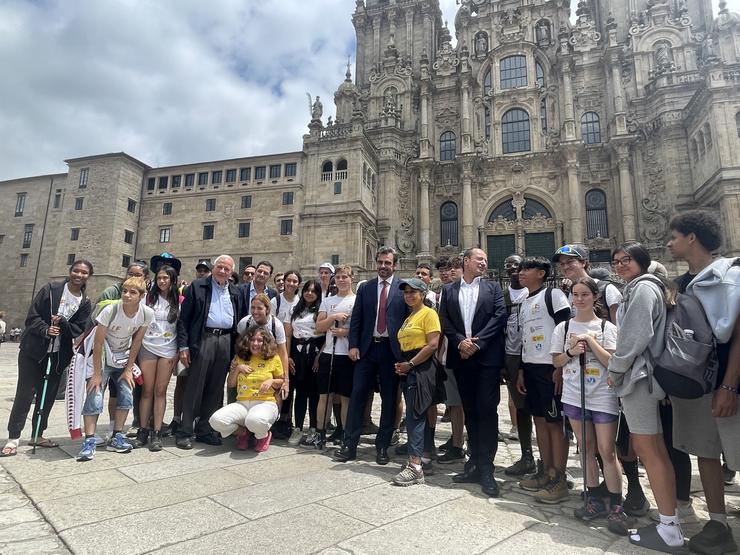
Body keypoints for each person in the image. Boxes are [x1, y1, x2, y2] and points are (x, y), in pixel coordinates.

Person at [667, 210, 740, 554]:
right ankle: (718, 524)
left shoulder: (730, 275)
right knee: (706, 453)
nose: (669, 242)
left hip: (728, 383)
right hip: (697, 384)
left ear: (692, 237)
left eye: (674, 236)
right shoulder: (679, 285)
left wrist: (729, 385)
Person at [606, 242, 685, 552]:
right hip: (645, 377)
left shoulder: (642, 289)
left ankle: (669, 528)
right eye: (617, 261)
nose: (621, 265)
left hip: (639, 378)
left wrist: (615, 369)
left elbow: (635, 336)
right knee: (654, 449)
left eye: (627, 259)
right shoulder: (646, 287)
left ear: (642, 261)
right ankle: (670, 523)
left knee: (647, 449)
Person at [1, 260, 93, 457]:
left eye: (84, 272)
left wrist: (63, 323)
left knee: (48, 395)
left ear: (89, 276)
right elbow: (32, 317)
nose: (79, 274)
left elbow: (78, 330)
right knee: (25, 393)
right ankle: (13, 437)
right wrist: (46, 329)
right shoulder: (50, 289)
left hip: (59, 356)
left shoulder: (85, 302)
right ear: (70, 272)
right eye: (76, 270)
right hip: (33, 350)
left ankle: (38, 434)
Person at [550, 277, 623, 524]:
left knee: (607, 451)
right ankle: (592, 498)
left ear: (595, 297)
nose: (579, 299)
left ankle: (615, 504)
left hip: (602, 395)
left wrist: (591, 342)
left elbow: (613, 363)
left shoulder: (606, 328)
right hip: (573, 394)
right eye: (575, 294)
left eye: (584, 294)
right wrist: (571, 352)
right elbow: (556, 361)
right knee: (586, 449)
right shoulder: (563, 328)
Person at [439, 248, 506, 497]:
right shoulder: (448, 290)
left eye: (486, 260)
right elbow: (444, 320)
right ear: (466, 261)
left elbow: (499, 317)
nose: (484, 263)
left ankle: (487, 467)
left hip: (486, 358)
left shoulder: (494, 289)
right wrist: (459, 342)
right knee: (470, 411)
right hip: (462, 358)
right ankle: (473, 463)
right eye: (480, 259)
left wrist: (478, 343)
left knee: (487, 411)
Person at [335, 247, 408, 464]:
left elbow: (406, 321)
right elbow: (357, 318)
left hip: (390, 351)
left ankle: (382, 446)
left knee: (389, 398)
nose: (383, 266)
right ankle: (350, 444)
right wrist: (353, 345)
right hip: (366, 350)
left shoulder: (403, 288)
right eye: (380, 262)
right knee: (358, 395)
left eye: (388, 262)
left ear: (395, 265)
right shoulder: (365, 288)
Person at [77, 276, 154, 461]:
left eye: (132, 292)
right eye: (124, 291)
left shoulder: (146, 313)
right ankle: (89, 440)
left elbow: (137, 341)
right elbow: (97, 342)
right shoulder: (110, 310)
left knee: (126, 394)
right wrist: (96, 374)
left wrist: (129, 369)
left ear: (141, 296)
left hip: (122, 357)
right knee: (95, 395)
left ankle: (117, 436)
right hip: (102, 356)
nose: (127, 295)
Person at [516, 257, 572, 503]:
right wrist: (520, 369)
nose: (520, 273)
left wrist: (561, 367)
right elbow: (524, 337)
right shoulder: (524, 301)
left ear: (541, 273)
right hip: (531, 367)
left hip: (550, 368)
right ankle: (545, 469)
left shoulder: (554, 295)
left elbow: (565, 329)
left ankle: (558, 477)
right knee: (540, 421)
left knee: (554, 423)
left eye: (526, 269)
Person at [176, 255, 244, 449]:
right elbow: (184, 320)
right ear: (214, 268)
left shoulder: (235, 291)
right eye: (220, 267)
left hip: (225, 340)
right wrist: (183, 346)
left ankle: (205, 429)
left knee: (216, 387)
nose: (223, 271)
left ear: (231, 272)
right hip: (203, 338)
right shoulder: (197, 287)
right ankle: (185, 430)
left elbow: (238, 320)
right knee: (195, 385)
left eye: (227, 269)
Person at [392, 278, 441, 486]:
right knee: (418, 411)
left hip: (420, 367)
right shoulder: (410, 316)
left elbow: (432, 344)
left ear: (423, 294)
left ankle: (415, 466)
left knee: (415, 415)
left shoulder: (428, 314)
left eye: (414, 292)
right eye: (406, 292)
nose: (409, 295)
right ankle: (425, 457)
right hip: (409, 367)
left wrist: (410, 364)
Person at [209, 327, 284, 452]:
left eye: (260, 340)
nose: (255, 343)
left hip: (265, 403)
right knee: (216, 420)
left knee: (254, 420)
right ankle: (243, 433)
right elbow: (231, 384)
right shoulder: (241, 358)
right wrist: (238, 369)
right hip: (242, 403)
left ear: (266, 342)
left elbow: (281, 381)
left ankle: (262, 436)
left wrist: (271, 381)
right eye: (252, 340)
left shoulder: (273, 358)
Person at [135, 265, 184, 451]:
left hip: (168, 349)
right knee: (147, 391)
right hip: (148, 346)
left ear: (173, 281)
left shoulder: (180, 300)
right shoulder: (147, 298)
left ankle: (156, 432)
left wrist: (179, 351)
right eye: (159, 278)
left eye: (166, 278)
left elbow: (181, 328)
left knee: (160, 391)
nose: (162, 281)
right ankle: (143, 430)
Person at [501, 254, 536, 477]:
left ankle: (550, 460)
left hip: (534, 357)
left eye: (518, 265)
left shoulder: (534, 294)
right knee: (521, 407)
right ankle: (527, 456)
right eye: (509, 265)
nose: (514, 269)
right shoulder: (501, 295)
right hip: (511, 358)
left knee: (542, 413)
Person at [315, 265, 356, 448]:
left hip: (346, 355)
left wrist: (344, 332)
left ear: (351, 278)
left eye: (344, 277)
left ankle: (346, 436)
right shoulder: (328, 301)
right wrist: (333, 317)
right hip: (328, 354)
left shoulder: (357, 300)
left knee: (346, 398)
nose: (341, 280)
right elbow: (319, 327)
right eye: (338, 277)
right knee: (325, 396)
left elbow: (360, 329)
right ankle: (320, 433)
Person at [284, 280, 324, 446]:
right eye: (307, 290)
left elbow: (326, 335)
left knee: (314, 393)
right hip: (297, 352)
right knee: (300, 392)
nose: (309, 293)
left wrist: (319, 357)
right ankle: (298, 427)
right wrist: (287, 356)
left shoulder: (322, 310)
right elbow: (287, 335)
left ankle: (313, 428)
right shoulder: (294, 310)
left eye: (313, 291)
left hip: (314, 351)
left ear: (318, 294)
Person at [435, 258, 465, 464]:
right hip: (448, 354)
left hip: (465, 352)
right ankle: (456, 441)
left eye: (455, 269)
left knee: (465, 403)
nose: (450, 272)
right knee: (454, 403)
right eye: (447, 269)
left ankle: (464, 442)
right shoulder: (443, 294)